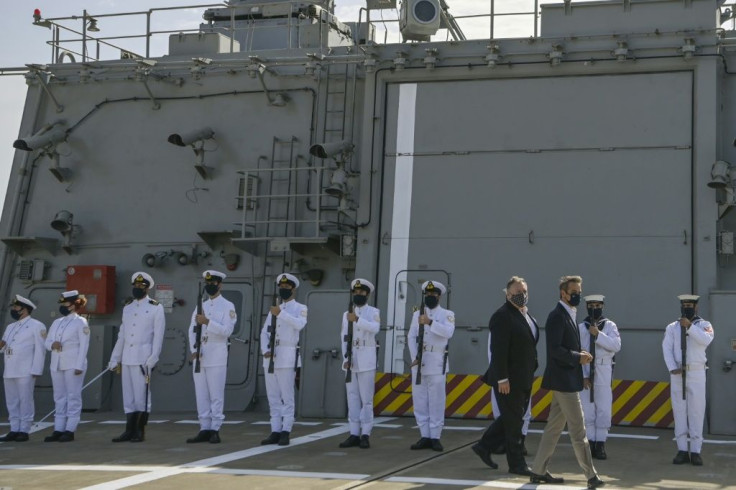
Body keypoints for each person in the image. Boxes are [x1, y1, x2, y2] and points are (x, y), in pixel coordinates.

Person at [530, 276, 605, 490]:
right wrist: (578, 357)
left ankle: (538, 470)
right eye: (574, 291)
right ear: (563, 293)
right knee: (578, 431)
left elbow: (563, 347)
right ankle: (591, 476)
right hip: (564, 382)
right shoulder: (557, 316)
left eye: (579, 291)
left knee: (553, 428)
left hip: (566, 379)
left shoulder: (568, 314)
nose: (578, 295)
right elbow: (554, 350)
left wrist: (578, 354)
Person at [473, 276, 538, 475]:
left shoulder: (526, 315)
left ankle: (484, 446)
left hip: (524, 378)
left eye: (524, 292)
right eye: (518, 293)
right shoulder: (502, 316)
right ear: (508, 294)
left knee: (513, 418)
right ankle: (516, 464)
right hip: (508, 380)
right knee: (513, 424)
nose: (522, 296)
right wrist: (502, 378)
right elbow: (498, 350)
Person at [107, 272, 165, 443]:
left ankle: (139, 431)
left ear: (147, 288)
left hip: (143, 358)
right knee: (129, 396)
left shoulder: (156, 307)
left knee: (142, 396)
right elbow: (122, 336)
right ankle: (128, 430)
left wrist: (154, 356)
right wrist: (114, 358)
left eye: (141, 287)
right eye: (135, 286)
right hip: (127, 358)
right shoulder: (128, 308)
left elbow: (158, 335)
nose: (137, 289)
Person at [662, 294, 714, 466]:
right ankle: (682, 449)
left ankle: (696, 451)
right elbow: (667, 348)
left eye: (690, 304)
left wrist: (690, 326)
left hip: (697, 372)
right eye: (684, 304)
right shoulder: (672, 327)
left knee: (696, 411)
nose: (687, 307)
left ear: (696, 307)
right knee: (679, 411)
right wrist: (672, 368)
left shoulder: (704, 325)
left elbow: (706, 340)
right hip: (678, 372)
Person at [186, 270, 237, 444]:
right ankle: (204, 428)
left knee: (216, 394)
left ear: (219, 285)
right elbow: (192, 329)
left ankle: (215, 428)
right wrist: (194, 349)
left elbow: (227, 331)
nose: (209, 286)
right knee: (201, 394)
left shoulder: (228, 306)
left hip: (216, 353)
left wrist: (208, 322)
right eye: (207, 283)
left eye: (213, 283)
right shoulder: (201, 305)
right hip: (200, 354)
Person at [260, 273, 308, 447]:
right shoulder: (274, 309)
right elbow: (264, 332)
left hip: (287, 355)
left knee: (287, 397)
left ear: (293, 289)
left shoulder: (300, 308)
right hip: (271, 356)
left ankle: (286, 431)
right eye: (281, 287)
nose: (283, 290)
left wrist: (281, 314)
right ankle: (275, 430)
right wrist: (265, 350)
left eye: (287, 288)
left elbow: (300, 324)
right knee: (273, 397)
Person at [408, 280, 455, 452]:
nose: (430, 297)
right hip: (419, 362)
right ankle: (424, 435)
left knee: (436, 400)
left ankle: (435, 436)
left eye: (433, 294)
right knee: (420, 400)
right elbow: (411, 337)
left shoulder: (447, 314)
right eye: (427, 295)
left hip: (437, 361)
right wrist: (415, 357)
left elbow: (448, 332)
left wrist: (429, 322)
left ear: (439, 296)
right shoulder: (416, 315)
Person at [338, 279, 381, 449]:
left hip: (367, 359)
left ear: (367, 294)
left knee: (367, 399)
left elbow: (375, 328)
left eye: (361, 293)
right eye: (355, 293)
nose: (358, 295)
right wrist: (345, 359)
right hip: (352, 359)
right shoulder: (345, 314)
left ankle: (365, 433)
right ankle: (354, 433)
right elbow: (344, 338)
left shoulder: (373, 311)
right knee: (352, 398)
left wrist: (357, 319)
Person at [44, 291, 91, 442]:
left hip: (73, 364)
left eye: (66, 304)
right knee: (59, 397)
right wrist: (52, 344)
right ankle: (58, 428)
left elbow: (84, 346)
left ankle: (70, 429)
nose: (63, 306)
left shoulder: (80, 322)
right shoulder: (57, 323)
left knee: (73, 396)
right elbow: (47, 342)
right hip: (57, 364)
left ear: (74, 304)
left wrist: (79, 365)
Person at [579, 295, 621, 460]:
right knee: (588, 409)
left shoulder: (609, 325)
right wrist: (583, 375)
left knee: (603, 407)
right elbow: (578, 350)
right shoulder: (581, 327)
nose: (594, 308)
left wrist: (598, 335)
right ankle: (590, 442)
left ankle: (601, 443)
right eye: (591, 305)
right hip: (585, 367)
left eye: (597, 305)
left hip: (603, 367)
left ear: (602, 306)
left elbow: (616, 346)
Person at [0, 295, 46, 442]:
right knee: (12, 400)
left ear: (25, 309)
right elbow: (4, 346)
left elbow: (40, 350)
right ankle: (14, 428)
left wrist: (36, 370)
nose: (14, 310)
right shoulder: (10, 327)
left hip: (26, 369)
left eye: (16, 307)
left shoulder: (36, 325)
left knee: (25, 399)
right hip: (10, 368)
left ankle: (24, 429)